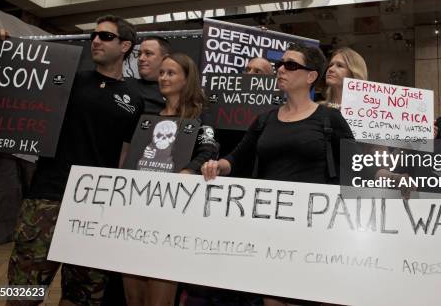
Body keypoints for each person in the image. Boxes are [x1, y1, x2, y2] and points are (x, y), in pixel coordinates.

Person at [0, 16, 144, 306]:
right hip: (48, 198)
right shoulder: (68, 78)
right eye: (94, 35)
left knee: (83, 296)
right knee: (23, 291)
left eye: (105, 37)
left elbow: (126, 151)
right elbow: (21, 78)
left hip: (95, 208)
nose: (95, 40)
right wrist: (3, 45)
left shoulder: (135, 97)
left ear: (125, 46)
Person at [201, 43, 353, 305]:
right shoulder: (265, 119)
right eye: (280, 64)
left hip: (314, 231)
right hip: (269, 229)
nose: (281, 69)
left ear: (311, 76)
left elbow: (355, 162)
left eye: (291, 65)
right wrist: (217, 166)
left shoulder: (329, 119)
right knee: (272, 297)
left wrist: (393, 176)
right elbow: (237, 157)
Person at [123, 53, 218, 306]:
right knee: (133, 294)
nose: (163, 77)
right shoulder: (148, 118)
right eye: (162, 72)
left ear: (187, 79)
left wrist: (188, 171)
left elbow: (209, 150)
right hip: (136, 212)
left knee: (159, 296)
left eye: (171, 73)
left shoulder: (200, 117)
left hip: (171, 217)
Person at [128, 36, 171, 114]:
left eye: (148, 53)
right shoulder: (127, 85)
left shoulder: (175, 92)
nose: (141, 58)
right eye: (139, 54)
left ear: (165, 59)